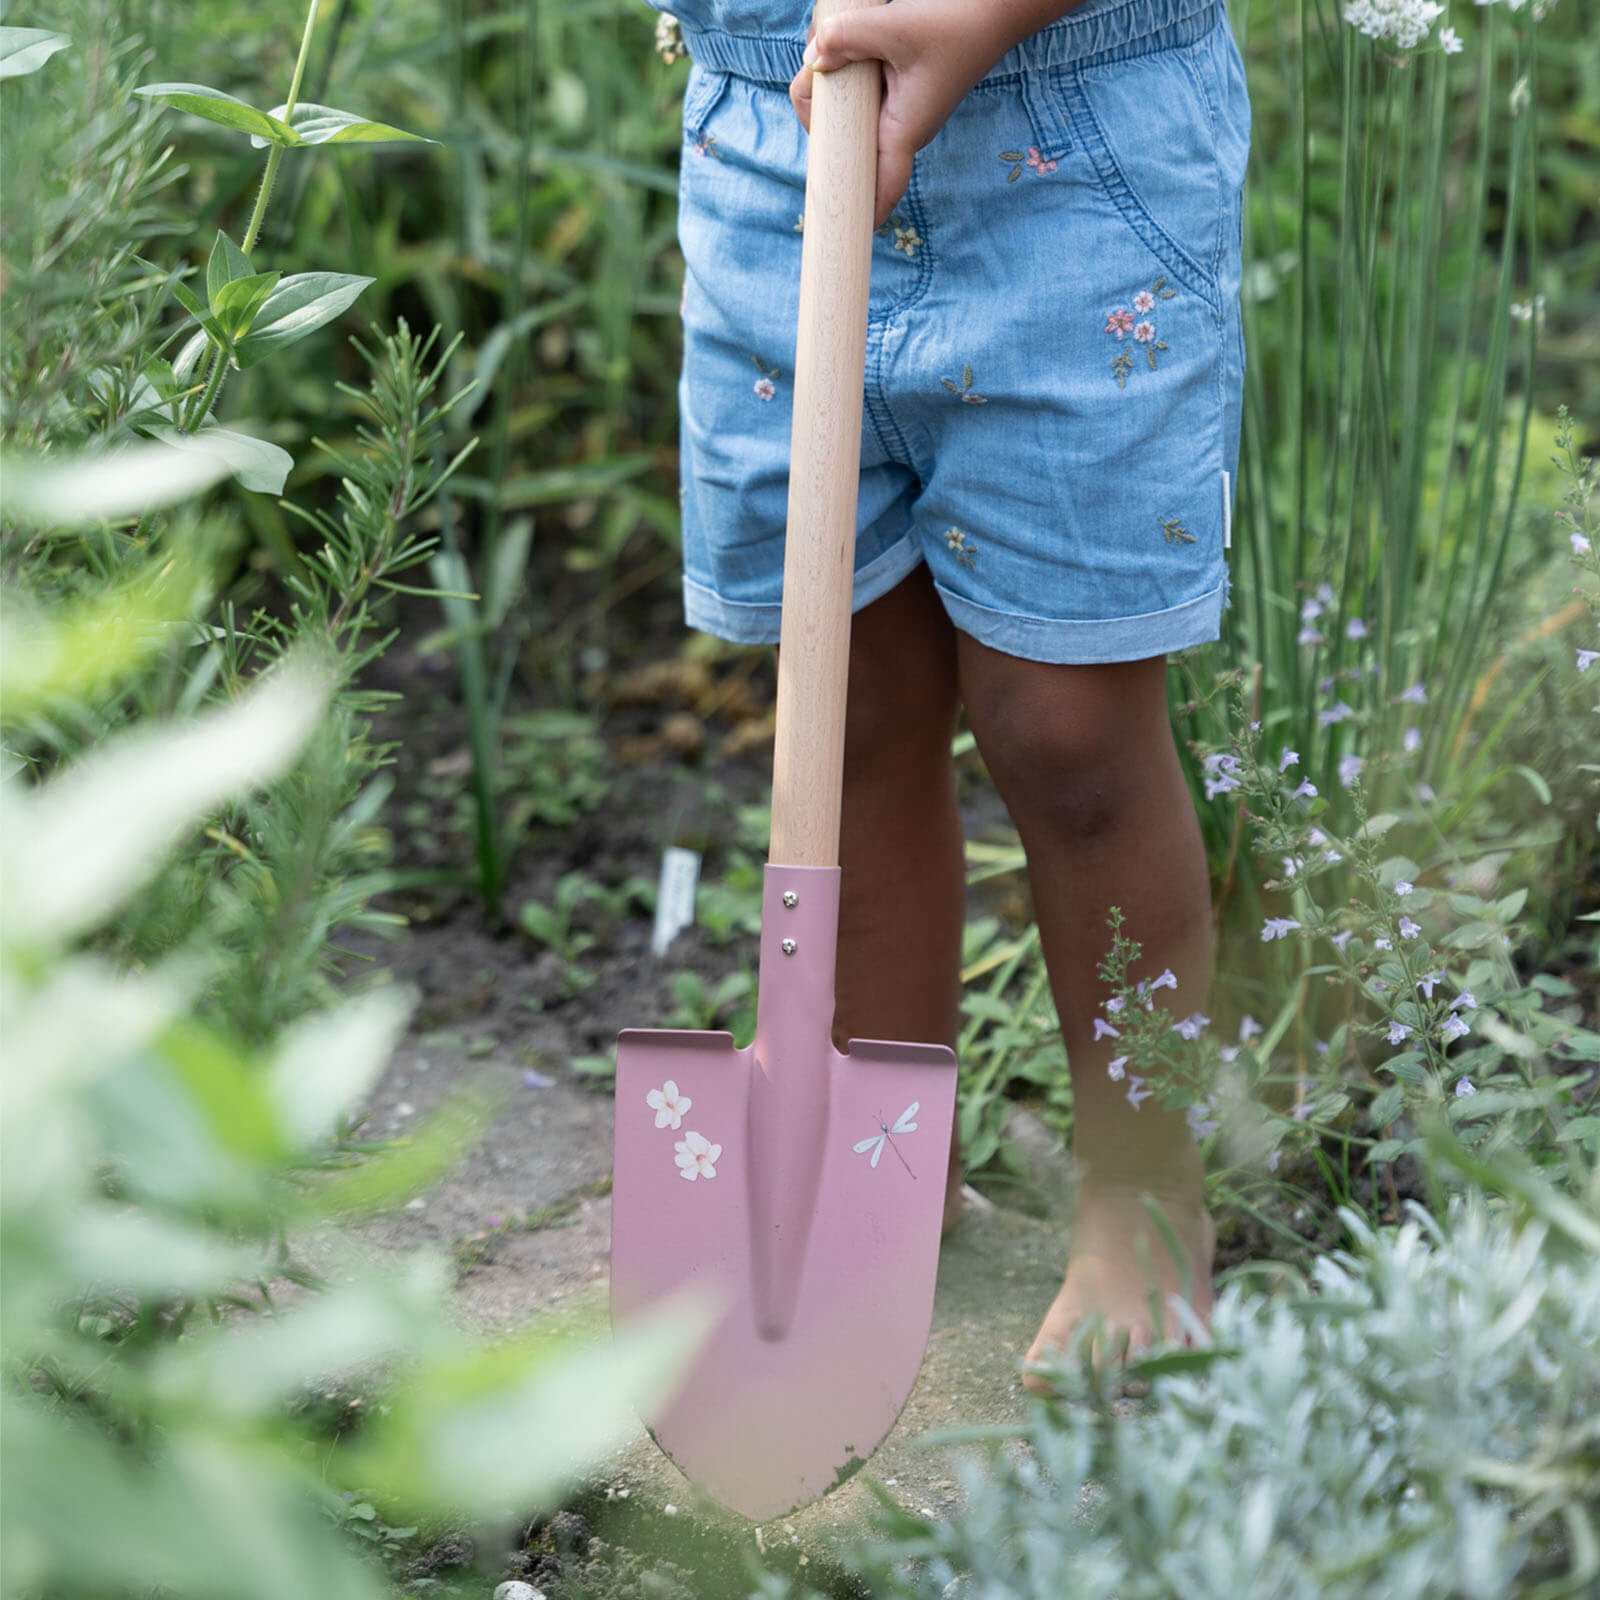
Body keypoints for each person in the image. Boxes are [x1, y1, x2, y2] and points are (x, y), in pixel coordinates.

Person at [652, 0, 1251, 1382]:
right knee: (846, 694)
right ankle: (862, 1156)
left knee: (1071, 729)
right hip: (775, 146)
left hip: (1077, 163)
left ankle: (1145, 1198)